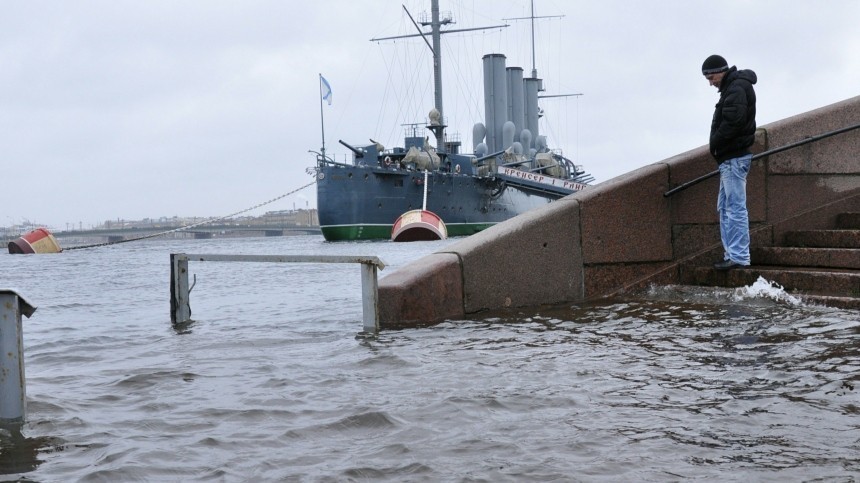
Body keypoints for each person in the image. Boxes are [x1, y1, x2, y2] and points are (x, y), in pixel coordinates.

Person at [702, 54, 757, 270]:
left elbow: (733, 123)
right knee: (726, 208)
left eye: (711, 77)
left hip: (733, 156)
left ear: (721, 71)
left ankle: (740, 257)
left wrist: (715, 142)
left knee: (734, 208)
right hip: (728, 158)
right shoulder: (733, 88)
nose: (710, 82)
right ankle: (732, 254)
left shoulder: (736, 89)